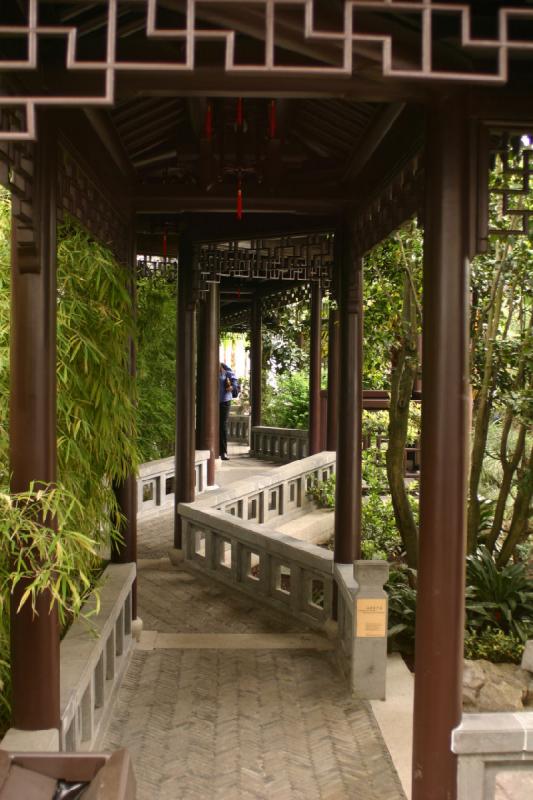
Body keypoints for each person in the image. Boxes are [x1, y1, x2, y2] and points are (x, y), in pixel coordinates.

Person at [219, 362, 238, 461]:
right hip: (211, 402)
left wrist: (232, 387)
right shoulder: (207, 368)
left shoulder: (225, 370)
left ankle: (223, 452)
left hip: (224, 401)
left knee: (222, 425)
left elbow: (234, 381)